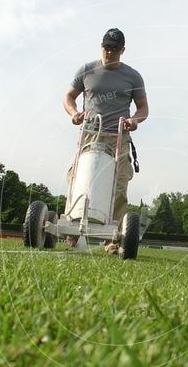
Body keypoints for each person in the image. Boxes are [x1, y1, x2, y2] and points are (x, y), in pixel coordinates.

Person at [63, 28, 149, 223]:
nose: (110, 52)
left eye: (115, 48)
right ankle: (72, 229)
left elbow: (143, 108)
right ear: (101, 46)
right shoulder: (86, 70)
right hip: (90, 133)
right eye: (107, 47)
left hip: (118, 136)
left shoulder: (133, 76)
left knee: (118, 186)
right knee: (77, 179)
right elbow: (68, 97)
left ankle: (114, 236)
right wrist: (74, 113)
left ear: (123, 50)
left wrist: (134, 120)